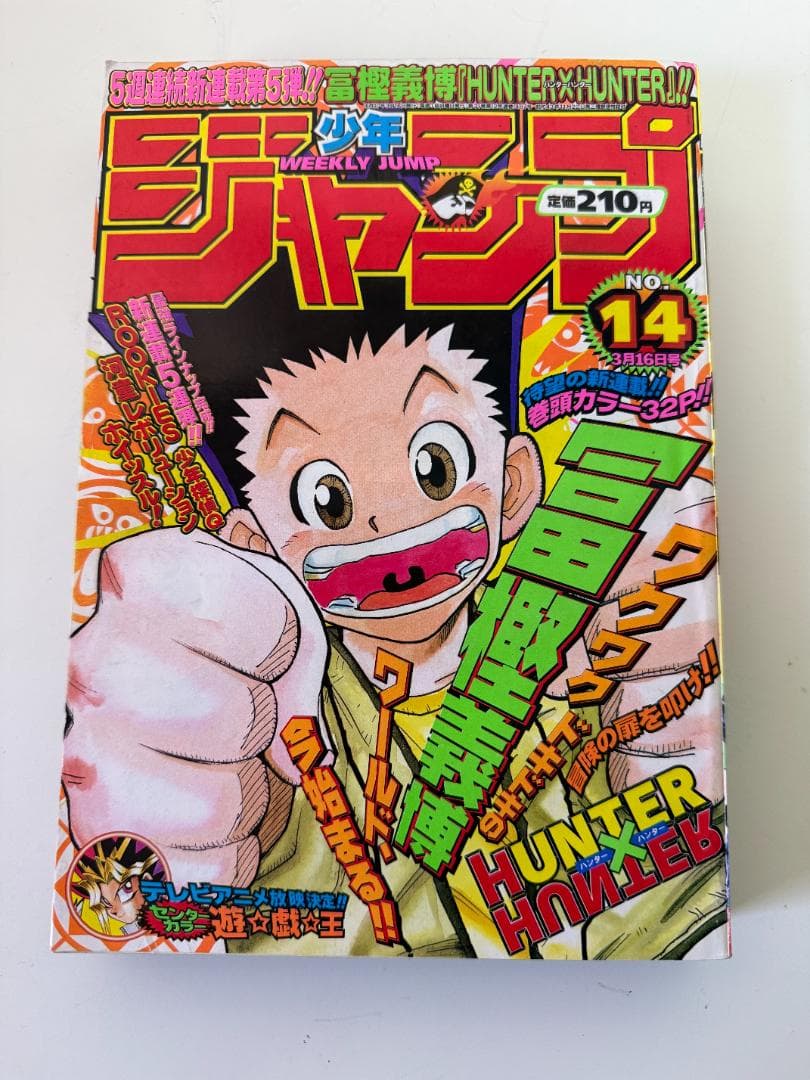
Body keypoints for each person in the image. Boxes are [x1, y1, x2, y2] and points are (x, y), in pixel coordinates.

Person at [63, 264, 726, 957]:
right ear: (255, 548)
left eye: (435, 467)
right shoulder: (276, 723)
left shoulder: (585, 647)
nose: (386, 521)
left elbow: (678, 890)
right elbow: (238, 849)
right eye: (328, 502)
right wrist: (168, 747)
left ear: (515, 488)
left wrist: (684, 741)